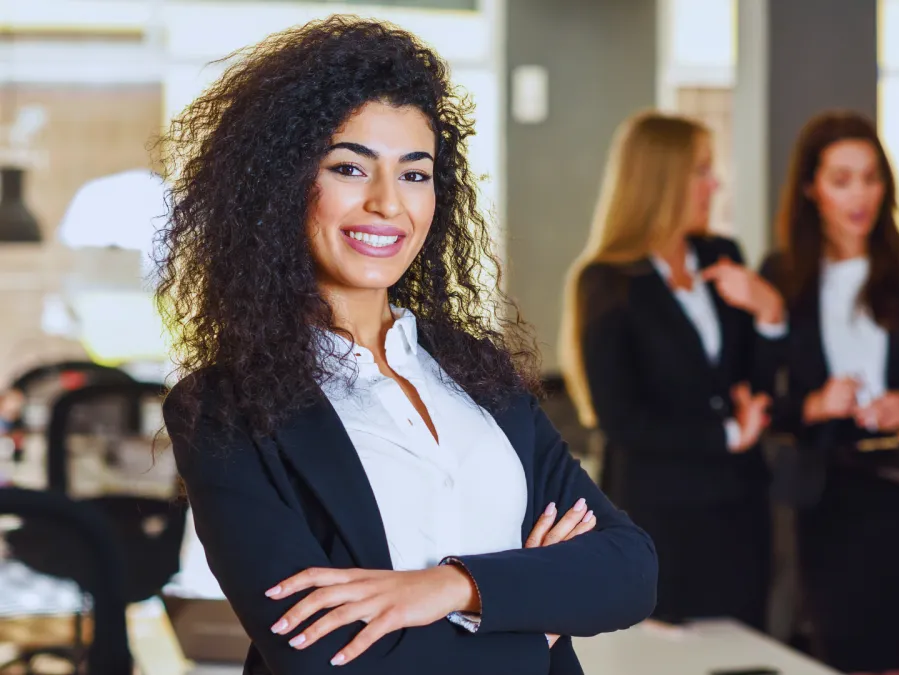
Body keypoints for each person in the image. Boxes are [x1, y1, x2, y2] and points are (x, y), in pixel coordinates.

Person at [156, 18, 657, 675]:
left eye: (414, 174)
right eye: (349, 167)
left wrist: (450, 586)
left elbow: (629, 569)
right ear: (281, 185)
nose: (387, 203)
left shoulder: (478, 373)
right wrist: (537, 618)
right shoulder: (222, 409)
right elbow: (322, 654)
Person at [760, 110, 899, 675]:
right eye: (841, 179)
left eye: (871, 176)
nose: (861, 195)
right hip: (826, 496)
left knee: (898, 655)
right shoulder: (782, 275)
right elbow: (758, 400)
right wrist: (813, 405)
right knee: (835, 656)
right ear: (811, 189)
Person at [560, 111, 782, 630]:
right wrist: (727, 433)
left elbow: (753, 378)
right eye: (702, 170)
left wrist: (771, 316)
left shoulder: (722, 257)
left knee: (744, 648)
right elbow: (621, 420)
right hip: (659, 515)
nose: (715, 183)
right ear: (662, 179)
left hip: (740, 508)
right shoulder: (606, 282)